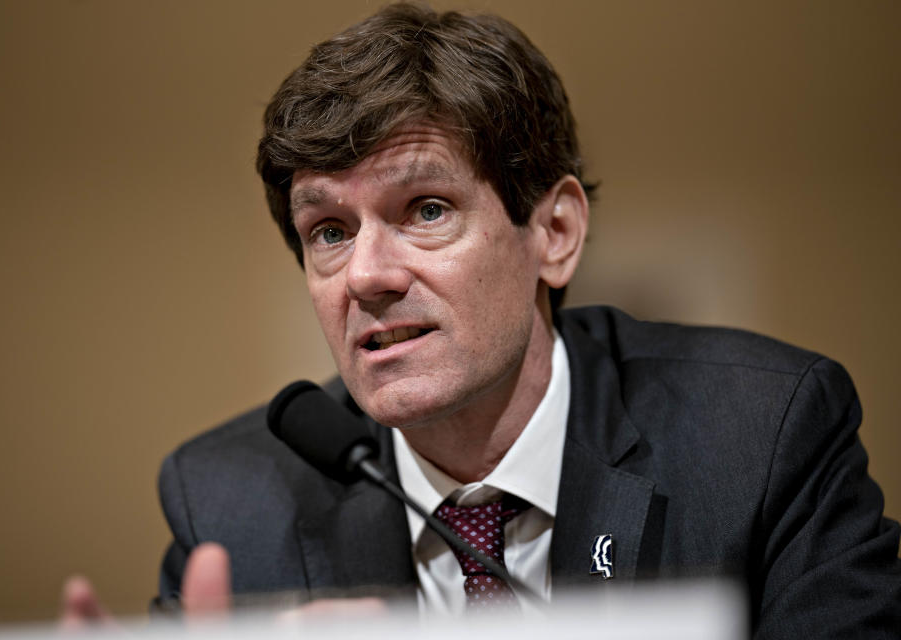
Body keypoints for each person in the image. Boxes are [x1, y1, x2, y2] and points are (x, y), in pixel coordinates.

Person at [126, 2, 901, 636]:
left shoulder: (761, 436)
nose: (366, 275)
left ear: (555, 233)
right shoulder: (230, 502)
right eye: (329, 231)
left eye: (426, 210)